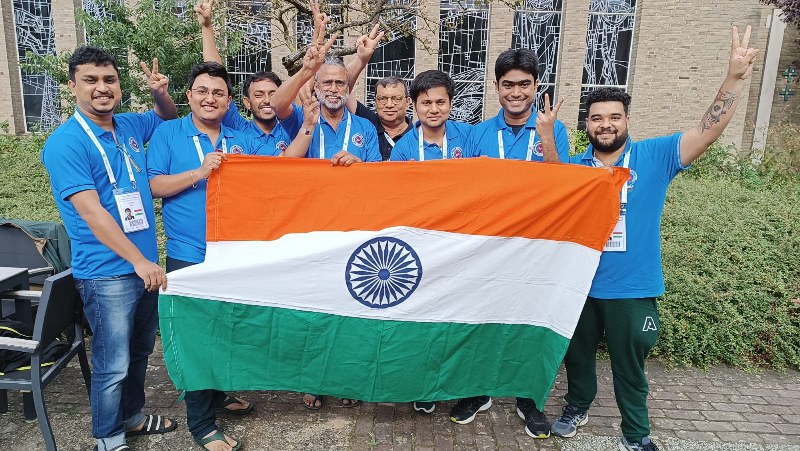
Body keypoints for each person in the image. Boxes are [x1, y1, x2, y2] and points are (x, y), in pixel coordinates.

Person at [547, 25, 759, 451]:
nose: (605, 125)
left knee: (630, 366)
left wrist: (734, 78)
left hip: (632, 288)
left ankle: (635, 434)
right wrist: (545, 133)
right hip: (580, 284)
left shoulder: (655, 155)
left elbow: (706, 131)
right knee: (577, 356)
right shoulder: (577, 168)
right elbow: (551, 185)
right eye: (597, 118)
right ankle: (578, 406)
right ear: (586, 125)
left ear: (627, 121)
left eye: (614, 117)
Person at [145, 61, 304, 451]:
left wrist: (311, 130)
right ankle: (201, 424)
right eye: (202, 91)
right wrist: (199, 173)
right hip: (189, 255)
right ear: (189, 96)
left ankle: (215, 395)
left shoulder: (240, 137)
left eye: (218, 93)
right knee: (198, 338)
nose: (210, 98)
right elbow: (153, 186)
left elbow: (280, 170)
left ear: (229, 101)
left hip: (232, 254)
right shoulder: (169, 133)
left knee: (226, 330)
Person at [41, 45, 177, 451]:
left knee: (139, 353)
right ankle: (108, 436)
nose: (102, 88)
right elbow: (92, 212)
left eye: (109, 80)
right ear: (73, 87)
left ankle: (132, 418)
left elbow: (167, 117)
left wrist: (160, 93)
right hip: (107, 275)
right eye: (91, 80)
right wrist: (138, 261)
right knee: (112, 364)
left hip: (143, 268)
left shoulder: (128, 125)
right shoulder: (66, 143)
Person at [448, 48, 567, 439]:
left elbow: (563, 187)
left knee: (528, 321)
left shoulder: (554, 130)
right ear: (497, 87)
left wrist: (546, 137)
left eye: (524, 85)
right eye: (508, 84)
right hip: (489, 247)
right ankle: (478, 391)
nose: (516, 92)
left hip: (536, 246)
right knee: (482, 320)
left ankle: (527, 398)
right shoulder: (479, 133)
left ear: (536, 86)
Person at [195, 0, 314, 156]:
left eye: (273, 94)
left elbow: (308, 78)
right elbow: (216, 76)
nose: (267, 100)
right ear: (247, 102)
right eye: (258, 95)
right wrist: (206, 27)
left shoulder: (293, 126)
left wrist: (315, 44)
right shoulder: (238, 128)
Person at [271, 3, 381, 167]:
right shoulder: (304, 117)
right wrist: (306, 70)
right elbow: (276, 103)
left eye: (340, 83)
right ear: (316, 86)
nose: (334, 89)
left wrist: (358, 164)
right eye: (327, 83)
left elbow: (376, 174)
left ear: (348, 87)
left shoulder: (365, 127)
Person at [343, 26, 412, 161]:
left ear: (408, 102)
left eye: (396, 98)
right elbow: (342, 90)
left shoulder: (418, 134)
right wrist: (361, 60)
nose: (389, 105)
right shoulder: (368, 123)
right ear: (375, 102)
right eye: (382, 99)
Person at [389, 70, 472, 161]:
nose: (434, 110)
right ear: (415, 106)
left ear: (450, 104)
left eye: (440, 102)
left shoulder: (470, 135)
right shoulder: (402, 149)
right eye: (426, 103)